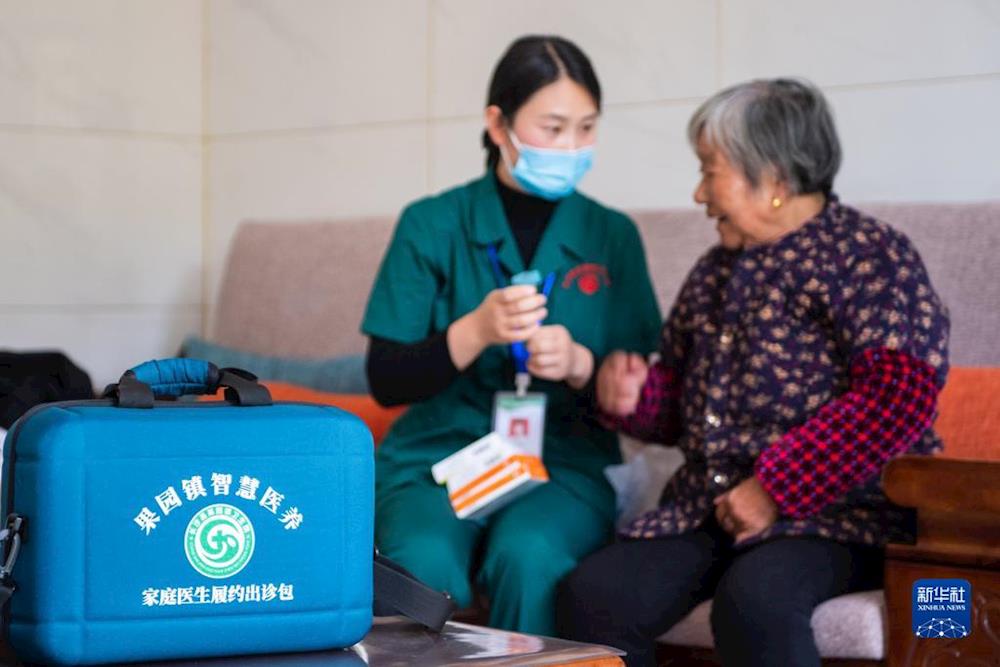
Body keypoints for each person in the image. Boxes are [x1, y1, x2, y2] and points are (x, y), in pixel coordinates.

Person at [556, 78, 949, 666]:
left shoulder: (870, 257)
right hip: (708, 507)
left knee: (756, 602)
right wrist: (633, 396)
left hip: (837, 516)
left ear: (774, 180)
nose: (698, 193)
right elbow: (679, 409)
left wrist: (776, 488)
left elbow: (898, 398)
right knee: (595, 596)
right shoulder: (714, 271)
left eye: (709, 171)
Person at [361, 35, 661, 635]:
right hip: (436, 459)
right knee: (423, 562)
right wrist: (473, 331)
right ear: (498, 124)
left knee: (530, 557)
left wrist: (581, 365)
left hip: (564, 462)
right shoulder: (431, 224)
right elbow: (386, 380)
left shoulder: (613, 236)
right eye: (553, 128)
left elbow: (647, 386)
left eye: (586, 129)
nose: (571, 147)